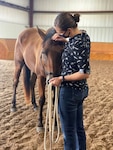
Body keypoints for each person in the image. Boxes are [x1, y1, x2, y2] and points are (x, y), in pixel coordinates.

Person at [49, 12, 91, 150]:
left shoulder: (76, 44)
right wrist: (65, 41)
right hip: (81, 90)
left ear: (69, 30)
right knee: (78, 128)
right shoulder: (83, 36)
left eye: (61, 33)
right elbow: (76, 48)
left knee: (68, 133)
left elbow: (84, 73)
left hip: (70, 92)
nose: (59, 35)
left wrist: (61, 79)